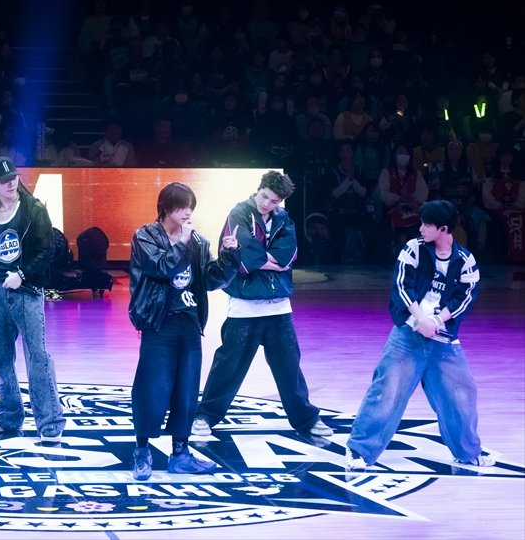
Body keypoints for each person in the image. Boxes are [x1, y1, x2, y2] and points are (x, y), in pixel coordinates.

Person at [346, 200, 496, 469]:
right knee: (387, 391)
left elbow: (465, 297)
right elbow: (402, 287)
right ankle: (360, 451)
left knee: (461, 394)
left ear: (443, 229)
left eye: (427, 224)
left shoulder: (465, 261)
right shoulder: (413, 249)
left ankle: (467, 452)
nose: (421, 228)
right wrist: (421, 319)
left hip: (443, 339)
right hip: (408, 335)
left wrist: (437, 320)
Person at [193, 171, 334, 438]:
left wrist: (265, 259)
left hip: (279, 307)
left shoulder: (284, 219)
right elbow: (244, 257)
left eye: (273, 201)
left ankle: (307, 420)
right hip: (244, 306)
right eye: (264, 197)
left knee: (289, 367)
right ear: (259, 189)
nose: (267, 204)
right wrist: (269, 262)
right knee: (229, 366)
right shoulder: (239, 213)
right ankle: (205, 415)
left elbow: (287, 256)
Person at [128, 182, 241, 480]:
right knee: (152, 388)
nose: (188, 212)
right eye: (182, 207)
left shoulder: (198, 242)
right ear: (166, 208)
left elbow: (211, 280)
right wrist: (182, 243)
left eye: (190, 207)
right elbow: (161, 268)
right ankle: (142, 451)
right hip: (158, 322)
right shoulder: (145, 236)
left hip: (189, 323)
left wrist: (231, 256)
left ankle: (181, 452)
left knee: (186, 390)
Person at [0, 156, 65, 441]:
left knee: (37, 355)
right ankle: (8, 414)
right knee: (1, 355)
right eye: (4, 180)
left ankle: (50, 421)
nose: (11, 183)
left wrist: (23, 274)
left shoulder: (34, 209)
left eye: (13, 177)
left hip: (26, 291)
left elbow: (48, 250)